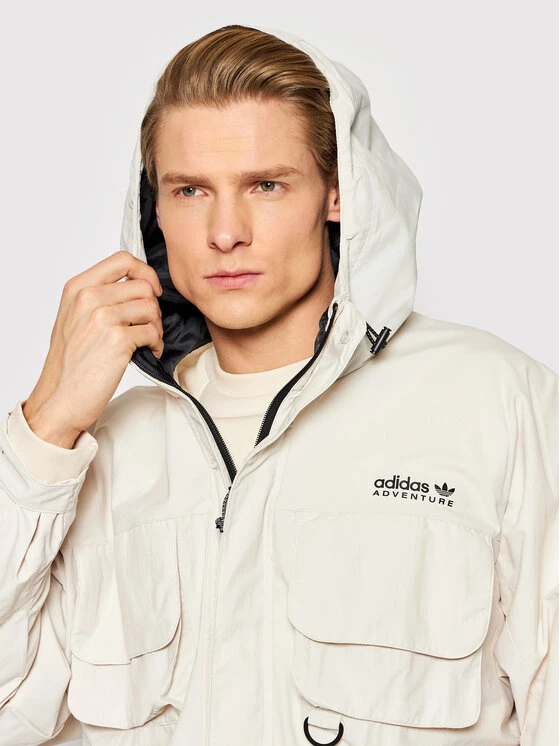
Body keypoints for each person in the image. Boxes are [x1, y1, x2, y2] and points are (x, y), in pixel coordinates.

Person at [0, 23, 557, 746]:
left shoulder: (498, 402)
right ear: (154, 209)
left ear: (337, 192)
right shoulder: (97, 450)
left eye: (266, 185)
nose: (225, 232)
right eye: (191, 190)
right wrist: (44, 430)